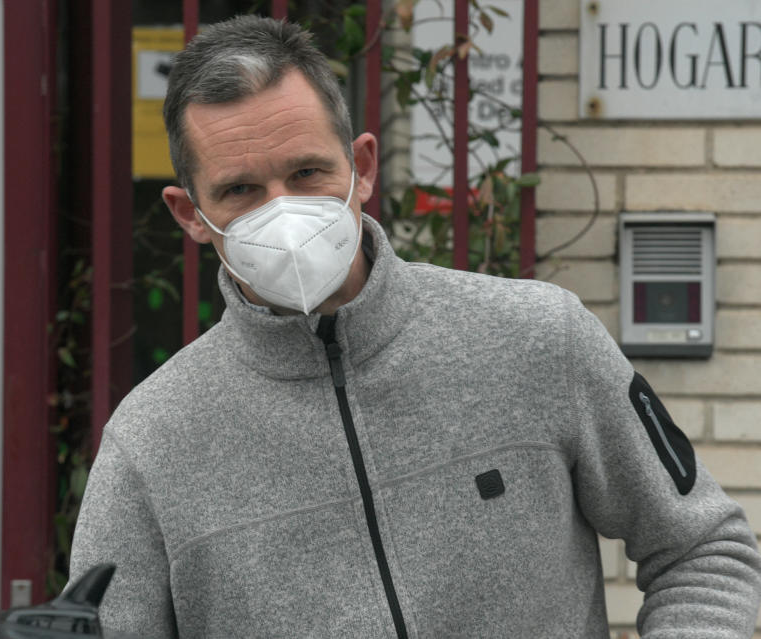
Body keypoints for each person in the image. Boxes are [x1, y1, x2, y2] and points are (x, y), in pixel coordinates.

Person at [69, 15, 761, 638]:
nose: (281, 212)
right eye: (240, 190)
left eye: (307, 171)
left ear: (361, 167)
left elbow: (703, 549)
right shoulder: (150, 443)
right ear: (190, 213)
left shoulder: (535, 338)